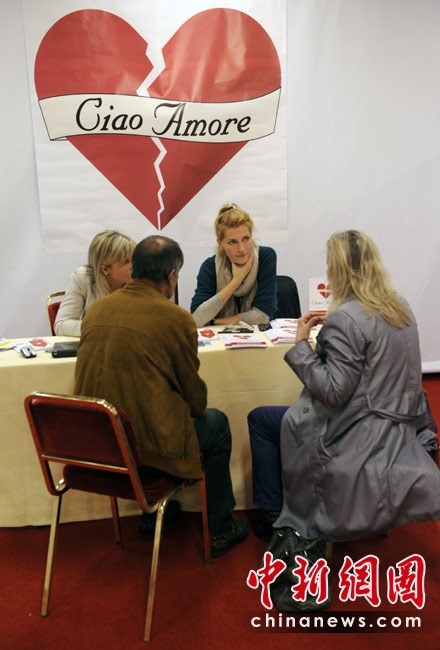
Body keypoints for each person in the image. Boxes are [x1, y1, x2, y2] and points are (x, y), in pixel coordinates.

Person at [248, 229, 440, 543]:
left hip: (356, 434)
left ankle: (273, 517)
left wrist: (301, 345)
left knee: (259, 420)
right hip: (401, 428)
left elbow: (333, 392)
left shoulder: (345, 318)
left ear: (337, 270)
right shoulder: (400, 306)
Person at [74, 235, 248, 557]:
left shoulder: (96, 311)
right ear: (171, 276)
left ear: (134, 269)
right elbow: (196, 401)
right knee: (216, 424)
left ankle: (151, 514)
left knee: (142, 409)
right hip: (146, 450)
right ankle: (220, 529)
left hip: (98, 444)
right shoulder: (176, 319)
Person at [190, 203, 277, 327]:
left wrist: (215, 321)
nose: (241, 249)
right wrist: (235, 281)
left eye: (246, 239)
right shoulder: (210, 267)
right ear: (220, 243)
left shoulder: (265, 257)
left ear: (251, 236)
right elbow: (197, 319)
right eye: (232, 242)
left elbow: (262, 316)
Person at [54, 230, 136, 336]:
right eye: (126, 262)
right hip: (97, 343)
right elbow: (61, 325)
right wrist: (102, 328)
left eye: (134, 259)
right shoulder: (83, 278)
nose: (134, 266)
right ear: (105, 269)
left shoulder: (142, 279)